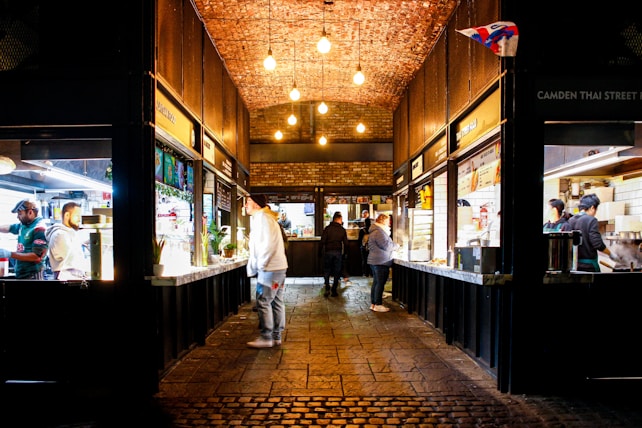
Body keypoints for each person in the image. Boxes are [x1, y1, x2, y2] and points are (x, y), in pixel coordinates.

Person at [245, 193, 288, 348]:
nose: (245, 205)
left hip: (270, 269)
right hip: (278, 267)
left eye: (248, 202)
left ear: (256, 204)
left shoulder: (262, 218)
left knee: (263, 301)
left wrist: (261, 265)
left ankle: (266, 337)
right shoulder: (267, 218)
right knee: (276, 301)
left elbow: (267, 245)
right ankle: (276, 337)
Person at [0, 198, 48, 279]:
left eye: (20, 214)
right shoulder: (24, 225)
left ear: (30, 212)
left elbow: (36, 256)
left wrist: (10, 254)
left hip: (33, 275)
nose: (17, 217)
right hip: (21, 273)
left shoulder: (39, 228)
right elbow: (9, 228)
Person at [567, 193, 612, 272]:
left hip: (574, 265)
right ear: (592, 208)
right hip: (589, 267)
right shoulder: (591, 220)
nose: (595, 213)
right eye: (596, 210)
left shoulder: (571, 220)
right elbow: (597, 244)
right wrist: (610, 254)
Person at [45, 202, 87, 280]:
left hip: (73, 278)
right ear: (67, 215)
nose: (79, 219)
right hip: (65, 279)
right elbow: (71, 260)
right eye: (77, 216)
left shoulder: (69, 233)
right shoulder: (60, 235)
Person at [367, 213, 399, 312]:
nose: (389, 223)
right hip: (380, 261)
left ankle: (373, 304)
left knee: (376, 283)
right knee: (380, 283)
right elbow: (386, 246)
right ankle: (378, 304)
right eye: (388, 221)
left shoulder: (376, 230)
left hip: (376, 260)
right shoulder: (379, 232)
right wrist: (397, 246)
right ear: (383, 221)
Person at [319, 211, 348, 297]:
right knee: (337, 271)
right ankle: (334, 290)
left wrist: (319, 252)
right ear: (339, 219)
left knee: (327, 270)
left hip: (328, 252)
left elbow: (322, 241)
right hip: (338, 252)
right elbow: (346, 243)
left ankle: (327, 287)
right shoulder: (342, 230)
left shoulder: (327, 229)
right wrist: (345, 253)